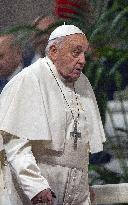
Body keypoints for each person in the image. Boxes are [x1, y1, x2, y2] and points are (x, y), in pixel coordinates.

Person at [0, 24, 106, 205]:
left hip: (73, 191)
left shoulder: (83, 84)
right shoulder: (30, 79)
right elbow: (15, 145)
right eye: (76, 52)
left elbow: (80, 148)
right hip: (35, 191)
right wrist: (36, 187)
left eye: (84, 54)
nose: (82, 60)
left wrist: (83, 187)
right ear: (54, 51)